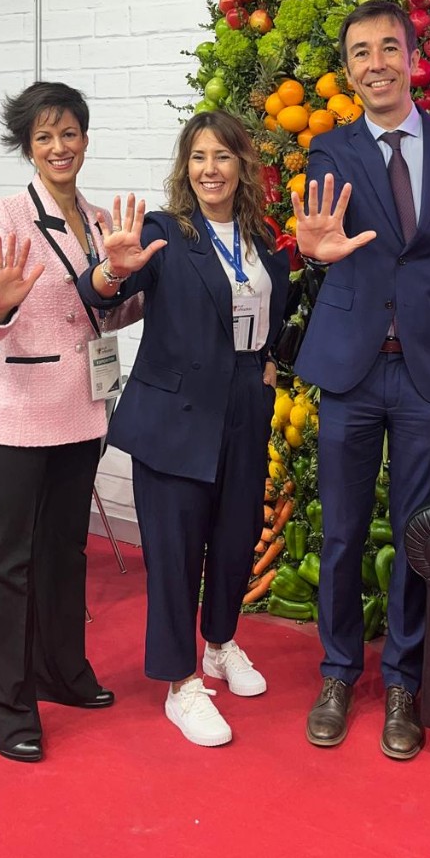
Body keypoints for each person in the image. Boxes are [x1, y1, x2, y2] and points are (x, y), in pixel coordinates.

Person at [293, 0, 430, 760]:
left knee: (419, 535)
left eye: (389, 48)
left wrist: (427, 310)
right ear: (348, 70)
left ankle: (406, 680)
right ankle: (338, 671)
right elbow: (323, 242)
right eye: (360, 52)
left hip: (425, 372)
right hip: (349, 370)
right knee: (342, 530)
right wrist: (313, 254)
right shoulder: (331, 149)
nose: (375, 63)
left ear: (413, 58)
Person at [79, 111, 290, 747]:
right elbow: (101, 295)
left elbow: (273, 318)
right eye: (198, 157)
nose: (209, 169)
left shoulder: (264, 242)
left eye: (222, 156)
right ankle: (180, 683)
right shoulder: (164, 232)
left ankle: (220, 644)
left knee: (235, 539)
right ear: (185, 167)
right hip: (175, 417)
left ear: (242, 166)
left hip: (244, 407)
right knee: (175, 555)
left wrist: (270, 363)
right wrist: (113, 270)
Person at [0, 81, 144, 763]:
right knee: (8, 564)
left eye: (69, 133)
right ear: (28, 147)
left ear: (86, 140)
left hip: (82, 411)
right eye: (44, 136)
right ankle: (3, 707)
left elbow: (106, 313)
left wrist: (131, 280)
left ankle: (61, 671)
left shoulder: (99, 219)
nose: (59, 146)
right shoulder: (5, 213)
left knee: (66, 553)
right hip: (16, 418)